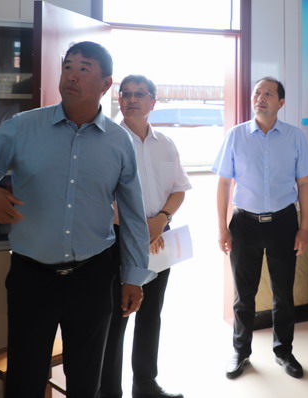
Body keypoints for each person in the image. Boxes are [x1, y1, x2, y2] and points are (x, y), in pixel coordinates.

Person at [0, 41, 153, 398]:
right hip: (32, 277)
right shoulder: (24, 127)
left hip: (93, 276)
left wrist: (134, 276)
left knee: (86, 381)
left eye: (84, 69)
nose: (71, 76)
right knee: (25, 381)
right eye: (68, 66)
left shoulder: (119, 142)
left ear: (106, 84)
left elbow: (134, 214)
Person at [213, 77, 308, 380]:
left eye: (268, 94)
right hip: (244, 224)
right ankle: (240, 351)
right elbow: (223, 184)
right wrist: (222, 228)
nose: (260, 97)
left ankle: (284, 351)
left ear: (281, 102)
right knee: (243, 295)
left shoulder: (294, 136)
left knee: (283, 293)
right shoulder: (236, 135)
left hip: (283, 223)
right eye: (257, 93)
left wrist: (304, 228)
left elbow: (304, 184)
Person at [100, 74, 191, 398]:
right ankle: (109, 391)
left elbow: (179, 189)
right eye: (126, 94)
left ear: (153, 101)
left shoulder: (165, 142)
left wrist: (162, 219)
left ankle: (145, 385)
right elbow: (100, 197)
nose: (132, 99)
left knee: (151, 314)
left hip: (159, 238)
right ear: (119, 100)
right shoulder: (106, 140)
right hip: (118, 237)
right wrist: (140, 229)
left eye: (139, 94)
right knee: (116, 318)